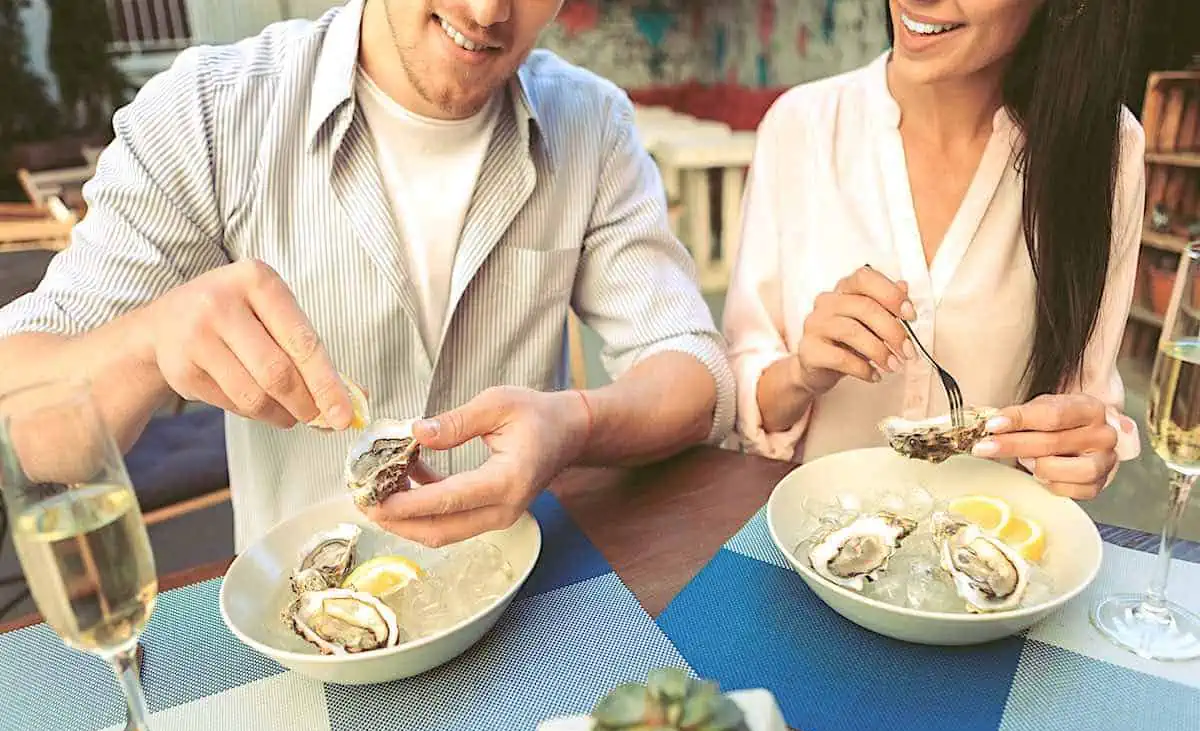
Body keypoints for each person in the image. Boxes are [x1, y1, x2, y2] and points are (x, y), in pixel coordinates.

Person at [0, 0, 735, 551]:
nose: (486, 14)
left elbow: (696, 375)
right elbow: (24, 425)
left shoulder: (593, 124)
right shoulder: (209, 115)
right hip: (304, 627)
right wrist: (146, 342)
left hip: (526, 603)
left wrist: (574, 424)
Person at [722, 0, 1144, 500]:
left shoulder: (1106, 149)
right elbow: (746, 401)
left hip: (991, 554)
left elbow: (1088, 406)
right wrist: (801, 372)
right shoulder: (801, 127)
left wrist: (1084, 447)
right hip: (811, 545)